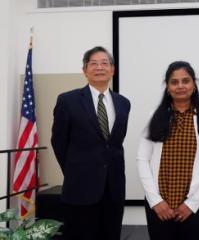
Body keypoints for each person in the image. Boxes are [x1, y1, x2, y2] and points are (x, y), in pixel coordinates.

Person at [51, 46, 130, 240]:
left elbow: (114, 144)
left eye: (104, 63)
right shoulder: (68, 100)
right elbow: (58, 142)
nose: (99, 67)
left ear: (112, 70)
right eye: (93, 64)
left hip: (113, 189)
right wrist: (75, 170)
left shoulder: (123, 103)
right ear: (85, 71)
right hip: (80, 189)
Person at [137, 61, 199, 240]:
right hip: (159, 206)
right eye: (174, 82)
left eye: (185, 81)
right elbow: (142, 159)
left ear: (194, 84)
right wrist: (156, 201)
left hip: (195, 205)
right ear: (167, 87)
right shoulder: (155, 115)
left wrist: (193, 203)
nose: (180, 86)